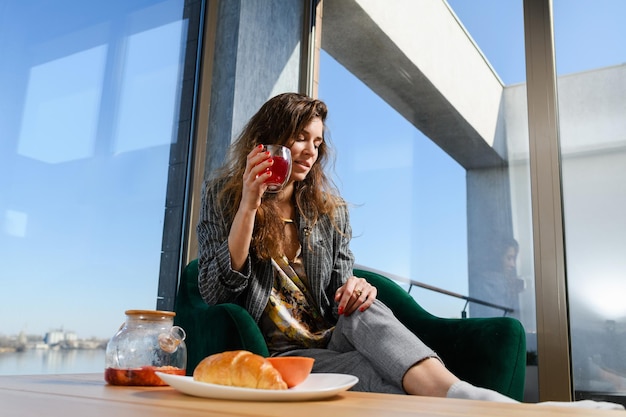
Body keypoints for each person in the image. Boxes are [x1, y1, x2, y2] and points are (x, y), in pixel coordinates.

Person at [197, 92, 622, 409]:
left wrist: (357, 288)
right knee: (371, 375)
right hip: (288, 353)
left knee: (368, 308)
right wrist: (250, 204)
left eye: (317, 141)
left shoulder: (329, 211)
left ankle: (475, 398)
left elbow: (339, 287)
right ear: (269, 140)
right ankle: (492, 409)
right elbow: (217, 291)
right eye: (300, 138)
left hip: (334, 331)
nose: (311, 150)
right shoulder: (224, 196)